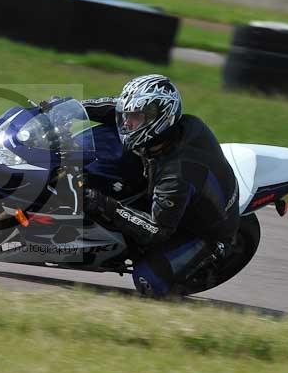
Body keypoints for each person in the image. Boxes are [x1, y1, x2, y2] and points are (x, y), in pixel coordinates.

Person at [81, 74, 240, 297]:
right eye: (128, 115)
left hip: (199, 231)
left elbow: (156, 230)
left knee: (149, 281)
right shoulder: (165, 131)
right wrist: (68, 108)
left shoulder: (176, 173)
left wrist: (104, 204)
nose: (127, 123)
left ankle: (204, 260)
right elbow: (115, 106)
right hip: (180, 192)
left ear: (158, 119)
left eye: (135, 117)